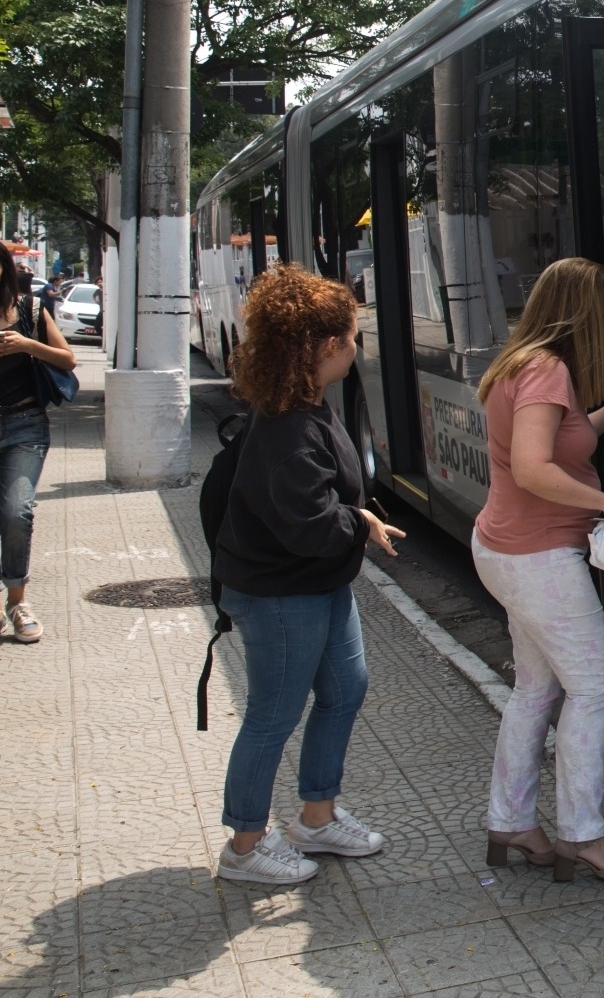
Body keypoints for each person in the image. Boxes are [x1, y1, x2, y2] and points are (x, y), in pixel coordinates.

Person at [213, 264, 405, 886]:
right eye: (353, 336)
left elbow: (322, 514)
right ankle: (245, 846)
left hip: (316, 584)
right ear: (329, 347)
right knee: (273, 713)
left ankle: (316, 819)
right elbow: (311, 526)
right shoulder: (289, 429)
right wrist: (361, 523)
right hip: (279, 592)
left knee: (346, 690)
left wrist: (351, 517)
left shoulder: (306, 404)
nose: (358, 346)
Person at [473, 256, 604, 881]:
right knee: (596, 682)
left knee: (537, 686)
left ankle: (512, 820)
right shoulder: (548, 371)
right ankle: (583, 835)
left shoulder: (523, 364)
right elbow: (533, 466)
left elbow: (564, 438)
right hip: (538, 556)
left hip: (506, 547)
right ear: (581, 311)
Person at [0, 235, 76, 643]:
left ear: (4, 268)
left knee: (15, 510)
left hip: (24, 425)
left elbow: (67, 359)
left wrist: (27, 344)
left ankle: (19, 601)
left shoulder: (28, 309)